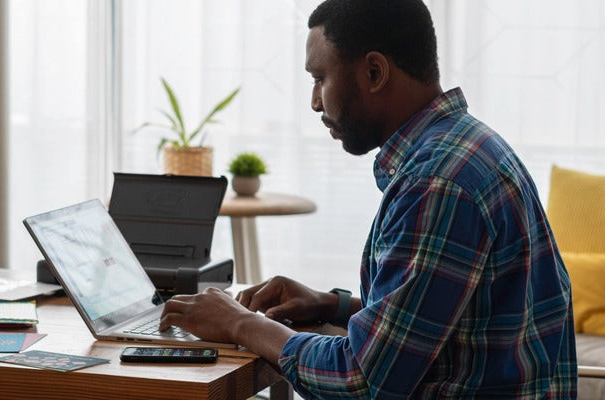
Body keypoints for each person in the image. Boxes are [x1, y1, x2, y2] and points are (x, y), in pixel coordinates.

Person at [160, 0, 578, 398]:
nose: (314, 101)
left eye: (320, 78)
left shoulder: (436, 183)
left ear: (375, 72)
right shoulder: (468, 146)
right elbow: (445, 320)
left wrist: (240, 323)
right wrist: (334, 305)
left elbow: (362, 381)